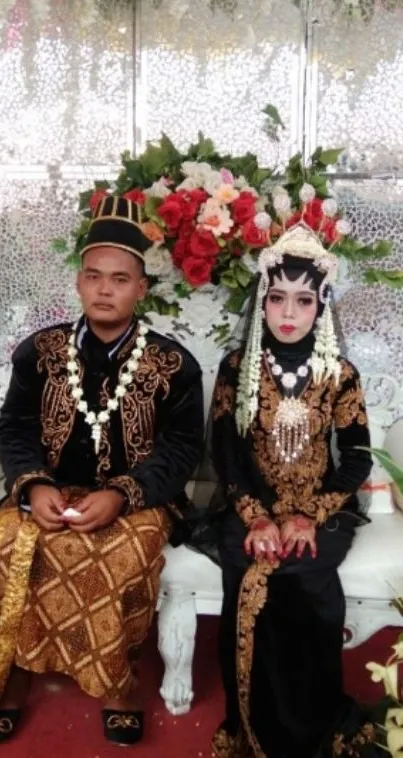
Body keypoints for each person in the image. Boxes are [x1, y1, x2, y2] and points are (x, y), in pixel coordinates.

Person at [0, 194, 204, 746]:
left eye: (120, 278)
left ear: (141, 288)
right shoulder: (38, 352)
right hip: (44, 491)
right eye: (94, 276)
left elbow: (184, 448)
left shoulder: (174, 364)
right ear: (79, 283)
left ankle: (118, 682)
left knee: (122, 550)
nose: (105, 288)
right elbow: (13, 427)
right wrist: (33, 483)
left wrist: (121, 495)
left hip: (136, 500)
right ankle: (15, 672)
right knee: (10, 538)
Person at [211, 223, 379, 758]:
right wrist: (256, 515)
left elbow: (355, 458)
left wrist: (312, 513)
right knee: (251, 569)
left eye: (303, 300)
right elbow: (226, 453)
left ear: (321, 304)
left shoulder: (339, 373)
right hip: (249, 505)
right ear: (262, 301)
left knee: (304, 574)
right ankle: (252, 730)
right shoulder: (238, 370)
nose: (288, 313)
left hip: (321, 512)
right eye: (277, 297)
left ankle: (310, 725)